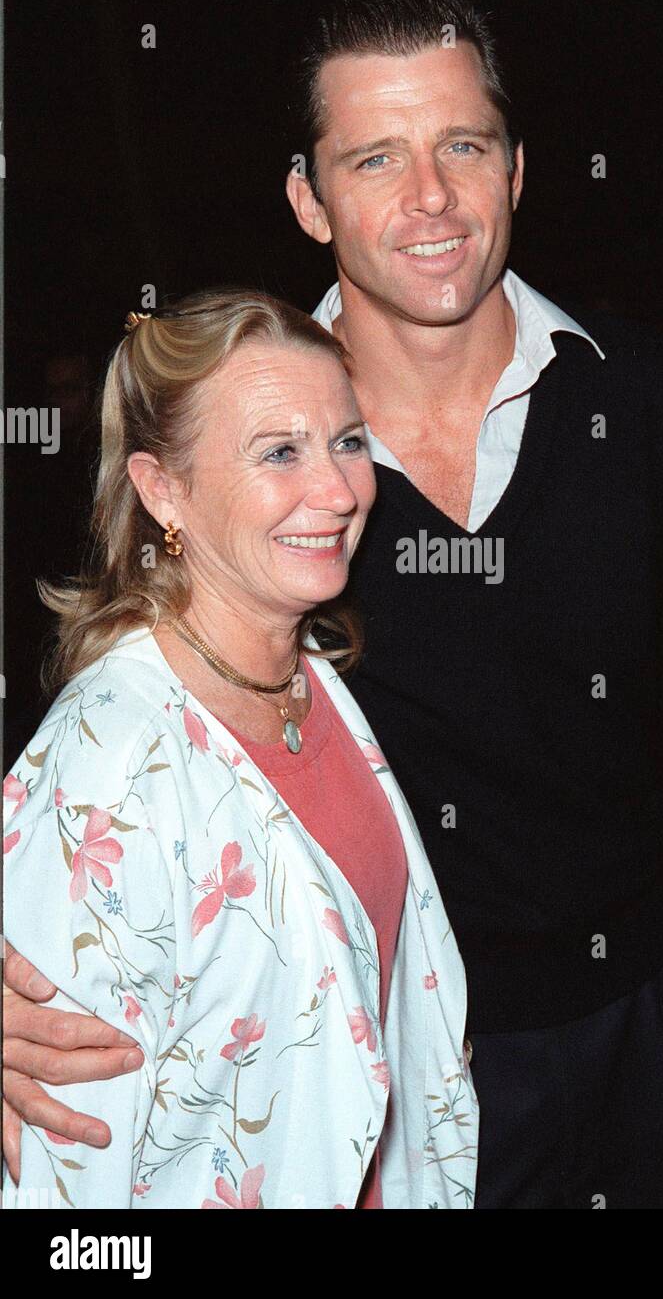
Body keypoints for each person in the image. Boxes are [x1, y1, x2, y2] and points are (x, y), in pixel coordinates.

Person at [3, 0, 663, 1208]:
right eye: (375, 157)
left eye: (462, 146)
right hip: (382, 1059)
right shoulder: (269, 455)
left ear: (515, 169)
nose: (429, 197)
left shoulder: (644, 401)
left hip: (653, 1017)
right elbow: (113, 729)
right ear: (308, 197)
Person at [1, 290, 477, 1209]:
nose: (339, 491)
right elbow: (68, 1175)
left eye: (347, 440)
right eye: (278, 453)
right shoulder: (110, 770)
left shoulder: (316, 678)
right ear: (161, 489)